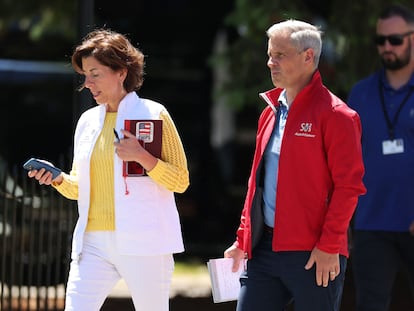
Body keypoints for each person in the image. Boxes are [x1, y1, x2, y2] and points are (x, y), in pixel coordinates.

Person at [26, 28, 189, 311]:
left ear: (122, 72)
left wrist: (142, 156)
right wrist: (56, 178)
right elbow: (78, 187)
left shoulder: (153, 113)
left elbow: (180, 181)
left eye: (95, 74)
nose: (87, 83)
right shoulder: (88, 121)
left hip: (145, 242)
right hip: (93, 243)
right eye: (85, 75)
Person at [223, 19, 366, 311]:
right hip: (264, 251)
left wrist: (329, 246)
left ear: (308, 57)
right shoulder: (270, 113)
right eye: (270, 54)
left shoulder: (338, 115)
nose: (270, 63)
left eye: (280, 55)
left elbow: (348, 187)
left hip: (315, 253)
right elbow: (257, 184)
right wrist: (243, 239)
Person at [347, 4, 414, 310]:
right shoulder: (360, 93)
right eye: (381, 41)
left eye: (396, 40)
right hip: (371, 222)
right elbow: (347, 160)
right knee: (370, 305)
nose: (387, 47)